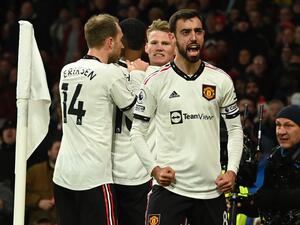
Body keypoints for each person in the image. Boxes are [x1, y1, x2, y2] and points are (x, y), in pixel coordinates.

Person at [130, 9, 243, 225]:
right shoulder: (155, 81)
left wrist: (232, 171)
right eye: (186, 32)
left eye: (198, 31)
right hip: (169, 188)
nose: (193, 37)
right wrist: (154, 169)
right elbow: (137, 131)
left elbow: (235, 130)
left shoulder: (221, 80)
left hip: (211, 189)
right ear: (173, 37)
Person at [53, 13, 137, 225]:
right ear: (109, 42)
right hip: (93, 177)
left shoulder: (66, 70)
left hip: (63, 174)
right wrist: (137, 77)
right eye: (119, 40)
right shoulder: (110, 73)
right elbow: (137, 114)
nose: (121, 45)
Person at [112, 17, 151, 225]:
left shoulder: (108, 72)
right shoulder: (154, 74)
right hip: (140, 169)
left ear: (122, 41)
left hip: (109, 167)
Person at [244, 105, 300, 224]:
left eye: (289, 125)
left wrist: (273, 198)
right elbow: (265, 198)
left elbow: (271, 197)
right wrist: (245, 204)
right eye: (278, 125)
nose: (281, 132)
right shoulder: (276, 155)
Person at [26, 139, 61, 225]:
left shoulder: (72, 174)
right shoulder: (34, 171)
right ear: (49, 152)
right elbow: (21, 194)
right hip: (38, 219)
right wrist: (38, 202)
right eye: (58, 148)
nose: (60, 151)